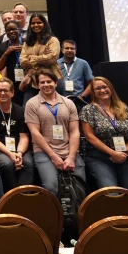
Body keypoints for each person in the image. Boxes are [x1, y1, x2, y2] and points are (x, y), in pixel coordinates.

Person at [25, 69, 85, 197]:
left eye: (49, 81)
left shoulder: (68, 103)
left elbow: (74, 131)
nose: (46, 85)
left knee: (80, 186)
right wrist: (53, 156)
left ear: (56, 83)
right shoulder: (32, 104)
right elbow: (35, 133)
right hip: (44, 151)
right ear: (38, 85)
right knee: (51, 186)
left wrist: (72, 157)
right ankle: (54, 216)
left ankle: (77, 216)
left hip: (68, 150)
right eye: (42, 82)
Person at [81, 77, 128, 193]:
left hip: (124, 156)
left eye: (104, 87)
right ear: (93, 92)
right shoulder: (88, 110)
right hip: (99, 158)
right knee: (111, 193)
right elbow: (90, 137)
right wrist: (113, 153)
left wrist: (125, 152)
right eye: (98, 88)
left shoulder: (124, 107)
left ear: (110, 88)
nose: (102, 90)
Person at [0, 78, 34, 193]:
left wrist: (19, 153)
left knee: (28, 163)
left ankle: (23, 196)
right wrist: (10, 154)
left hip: (19, 149)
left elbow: (24, 136)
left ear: (12, 93)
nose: (2, 93)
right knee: (7, 164)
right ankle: (9, 197)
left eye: (5, 90)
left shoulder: (20, 111)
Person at [19, 14, 63, 104]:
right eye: (33, 23)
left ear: (45, 24)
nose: (36, 25)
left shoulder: (52, 40)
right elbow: (22, 61)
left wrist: (32, 57)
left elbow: (51, 59)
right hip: (32, 82)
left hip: (51, 80)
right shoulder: (27, 42)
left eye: (39, 22)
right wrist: (43, 58)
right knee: (28, 111)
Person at [0, 21, 26, 104]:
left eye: (14, 29)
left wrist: (25, 50)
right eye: (8, 30)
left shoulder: (27, 43)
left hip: (28, 80)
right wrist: (6, 53)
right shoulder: (2, 46)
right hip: (12, 82)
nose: (11, 31)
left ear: (19, 30)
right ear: (6, 32)